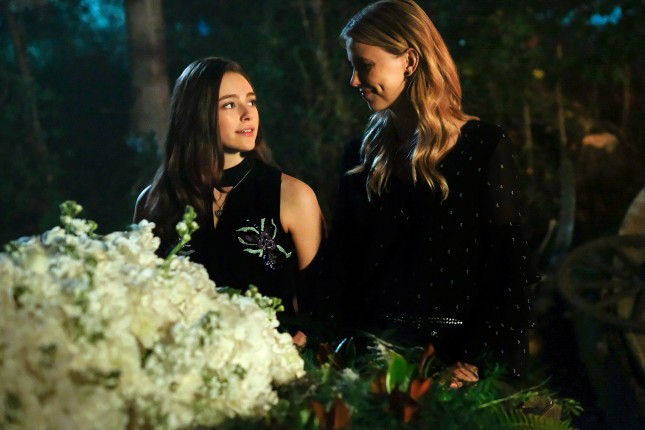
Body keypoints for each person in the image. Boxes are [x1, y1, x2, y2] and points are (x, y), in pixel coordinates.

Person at [323, 0, 540, 383]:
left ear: (409, 61)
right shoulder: (359, 156)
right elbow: (342, 267)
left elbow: (507, 272)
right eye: (352, 67)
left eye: (365, 66)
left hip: (458, 362)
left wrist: (475, 364)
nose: (354, 81)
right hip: (372, 358)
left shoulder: (483, 147)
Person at [134, 57, 325, 330]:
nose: (248, 114)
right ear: (197, 115)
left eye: (252, 101)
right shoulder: (155, 201)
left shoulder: (293, 196)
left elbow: (322, 309)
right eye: (230, 105)